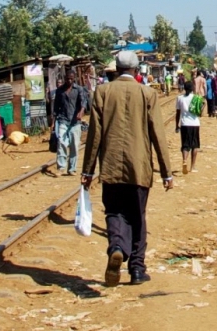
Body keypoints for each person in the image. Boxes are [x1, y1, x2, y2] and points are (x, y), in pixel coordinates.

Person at [81, 50, 173, 287]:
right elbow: (158, 136)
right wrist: (166, 172)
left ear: (116, 69)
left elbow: (94, 135)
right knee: (137, 217)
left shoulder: (102, 92)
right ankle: (137, 269)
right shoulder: (147, 93)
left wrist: (88, 170)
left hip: (110, 167)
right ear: (136, 69)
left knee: (114, 212)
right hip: (139, 168)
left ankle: (117, 247)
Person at [51, 71, 86, 177]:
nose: (69, 80)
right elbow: (56, 108)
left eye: (71, 78)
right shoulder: (59, 91)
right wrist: (53, 123)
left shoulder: (79, 89)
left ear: (74, 78)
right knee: (61, 142)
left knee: (74, 145)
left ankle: (72, 168)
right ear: (65, 78)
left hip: (75, 122)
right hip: (62, 120)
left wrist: (81, 112)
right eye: (67, 79)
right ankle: (61, 167)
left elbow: (83, 103)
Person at [176, 81, 200, 175]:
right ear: (192, 88)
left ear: (184, 88)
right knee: (195, 145)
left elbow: (178, 113)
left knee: (185, 145)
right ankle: (193, 166)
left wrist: (176, 126)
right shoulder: (196, 98)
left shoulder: (180, 98)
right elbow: (199, 113)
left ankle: (184, 160)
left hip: (184, 124)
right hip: (195, 123)